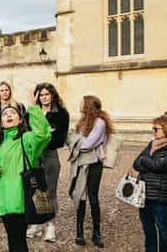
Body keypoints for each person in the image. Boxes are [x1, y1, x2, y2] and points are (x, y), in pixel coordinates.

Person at [0, 103, 51, 252]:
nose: (9, 115)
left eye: (13, 113)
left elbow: (44, 134)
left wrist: (34, 109)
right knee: (13, 241)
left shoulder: (27, 139)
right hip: (4, 201)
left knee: (18, 243)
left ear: (21, 120)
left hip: (20, 199)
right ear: (1, 123)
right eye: (5, 114)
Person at [134, 114, 167, 252]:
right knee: (148, 227)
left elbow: (158, 166)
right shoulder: (152, 144)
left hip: (160, 194)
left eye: (156, 128)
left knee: (163, 228)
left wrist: (147, 159)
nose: (153, 131)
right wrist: (150, 160)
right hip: (143, 192)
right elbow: (136, 164)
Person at [67, 95, 115, 248]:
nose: (80, 104)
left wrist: (74, 142)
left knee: (93, 197)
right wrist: (74, 141)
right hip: (81, 162)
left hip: (94, 163)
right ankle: (79, 231)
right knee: (80, 195)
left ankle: (96, 232)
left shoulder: (100, 122)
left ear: (89, 105)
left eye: (83, 102)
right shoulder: (81, 122)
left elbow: (87, 144)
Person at [26, 83, 70, 243]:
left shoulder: (61, 114)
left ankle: (50, 226)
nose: (44, 97)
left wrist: (41, 135)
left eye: (46, 94)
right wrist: (45, 133)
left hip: (50, 156)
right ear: (37, 97)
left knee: (50, 191)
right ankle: (36, 224)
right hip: (33, 156)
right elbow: (26, 133)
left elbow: (60, 139)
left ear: (52, 95)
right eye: (41, 95)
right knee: (34, 191)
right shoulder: (31, 113)